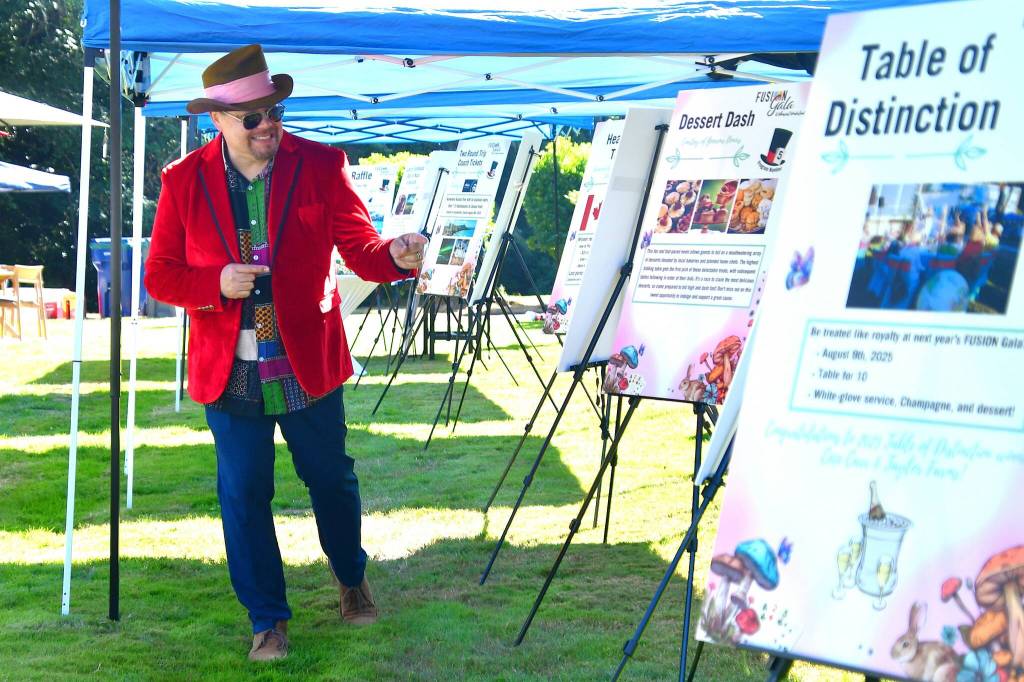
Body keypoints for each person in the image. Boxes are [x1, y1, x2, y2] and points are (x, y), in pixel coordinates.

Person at [144, 44, 427, 662]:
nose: (268, 125)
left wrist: (398, 256)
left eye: (274, 111)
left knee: (330, 480)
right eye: (252, 117)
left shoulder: (322, 164)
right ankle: (267, 618)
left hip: (307, 363)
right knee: (243, 494)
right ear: (217, 120)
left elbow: (362, 251)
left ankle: (351, 577)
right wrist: (213, 283)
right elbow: (159, 275)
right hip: (231, 372)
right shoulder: (183, 180)